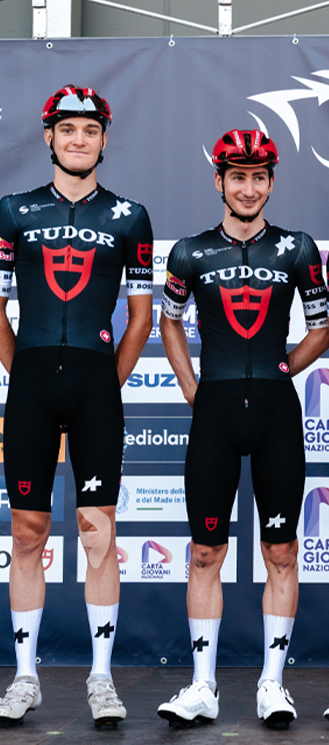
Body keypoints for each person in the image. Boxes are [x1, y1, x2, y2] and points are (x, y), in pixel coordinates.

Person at [0, 86, 153, 727]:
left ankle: (101, 679)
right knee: (27, 531)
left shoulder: (131, 216)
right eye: (68, 129)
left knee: (98, 531)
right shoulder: (13, 210)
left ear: (104, 140)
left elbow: (141, 317)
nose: (79, 139)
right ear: (48, 137)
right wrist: (27, 374)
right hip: (32, 382)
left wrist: (104, 382)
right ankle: (25, 679)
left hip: (94, 385)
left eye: (90, 130)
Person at [157, 129, 329, 730]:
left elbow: (322, 326)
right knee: (206, 551)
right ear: (219, 181)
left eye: (259, 177)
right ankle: (202, 687)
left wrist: (283, 369)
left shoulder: (298, 248)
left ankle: (272, 686)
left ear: (272, 183)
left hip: (277, 412)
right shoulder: (189, 252)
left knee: (281, 551)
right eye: (238, 177)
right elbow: (169, 321)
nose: (248, 188)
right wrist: (191, 386)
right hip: (216, 412)